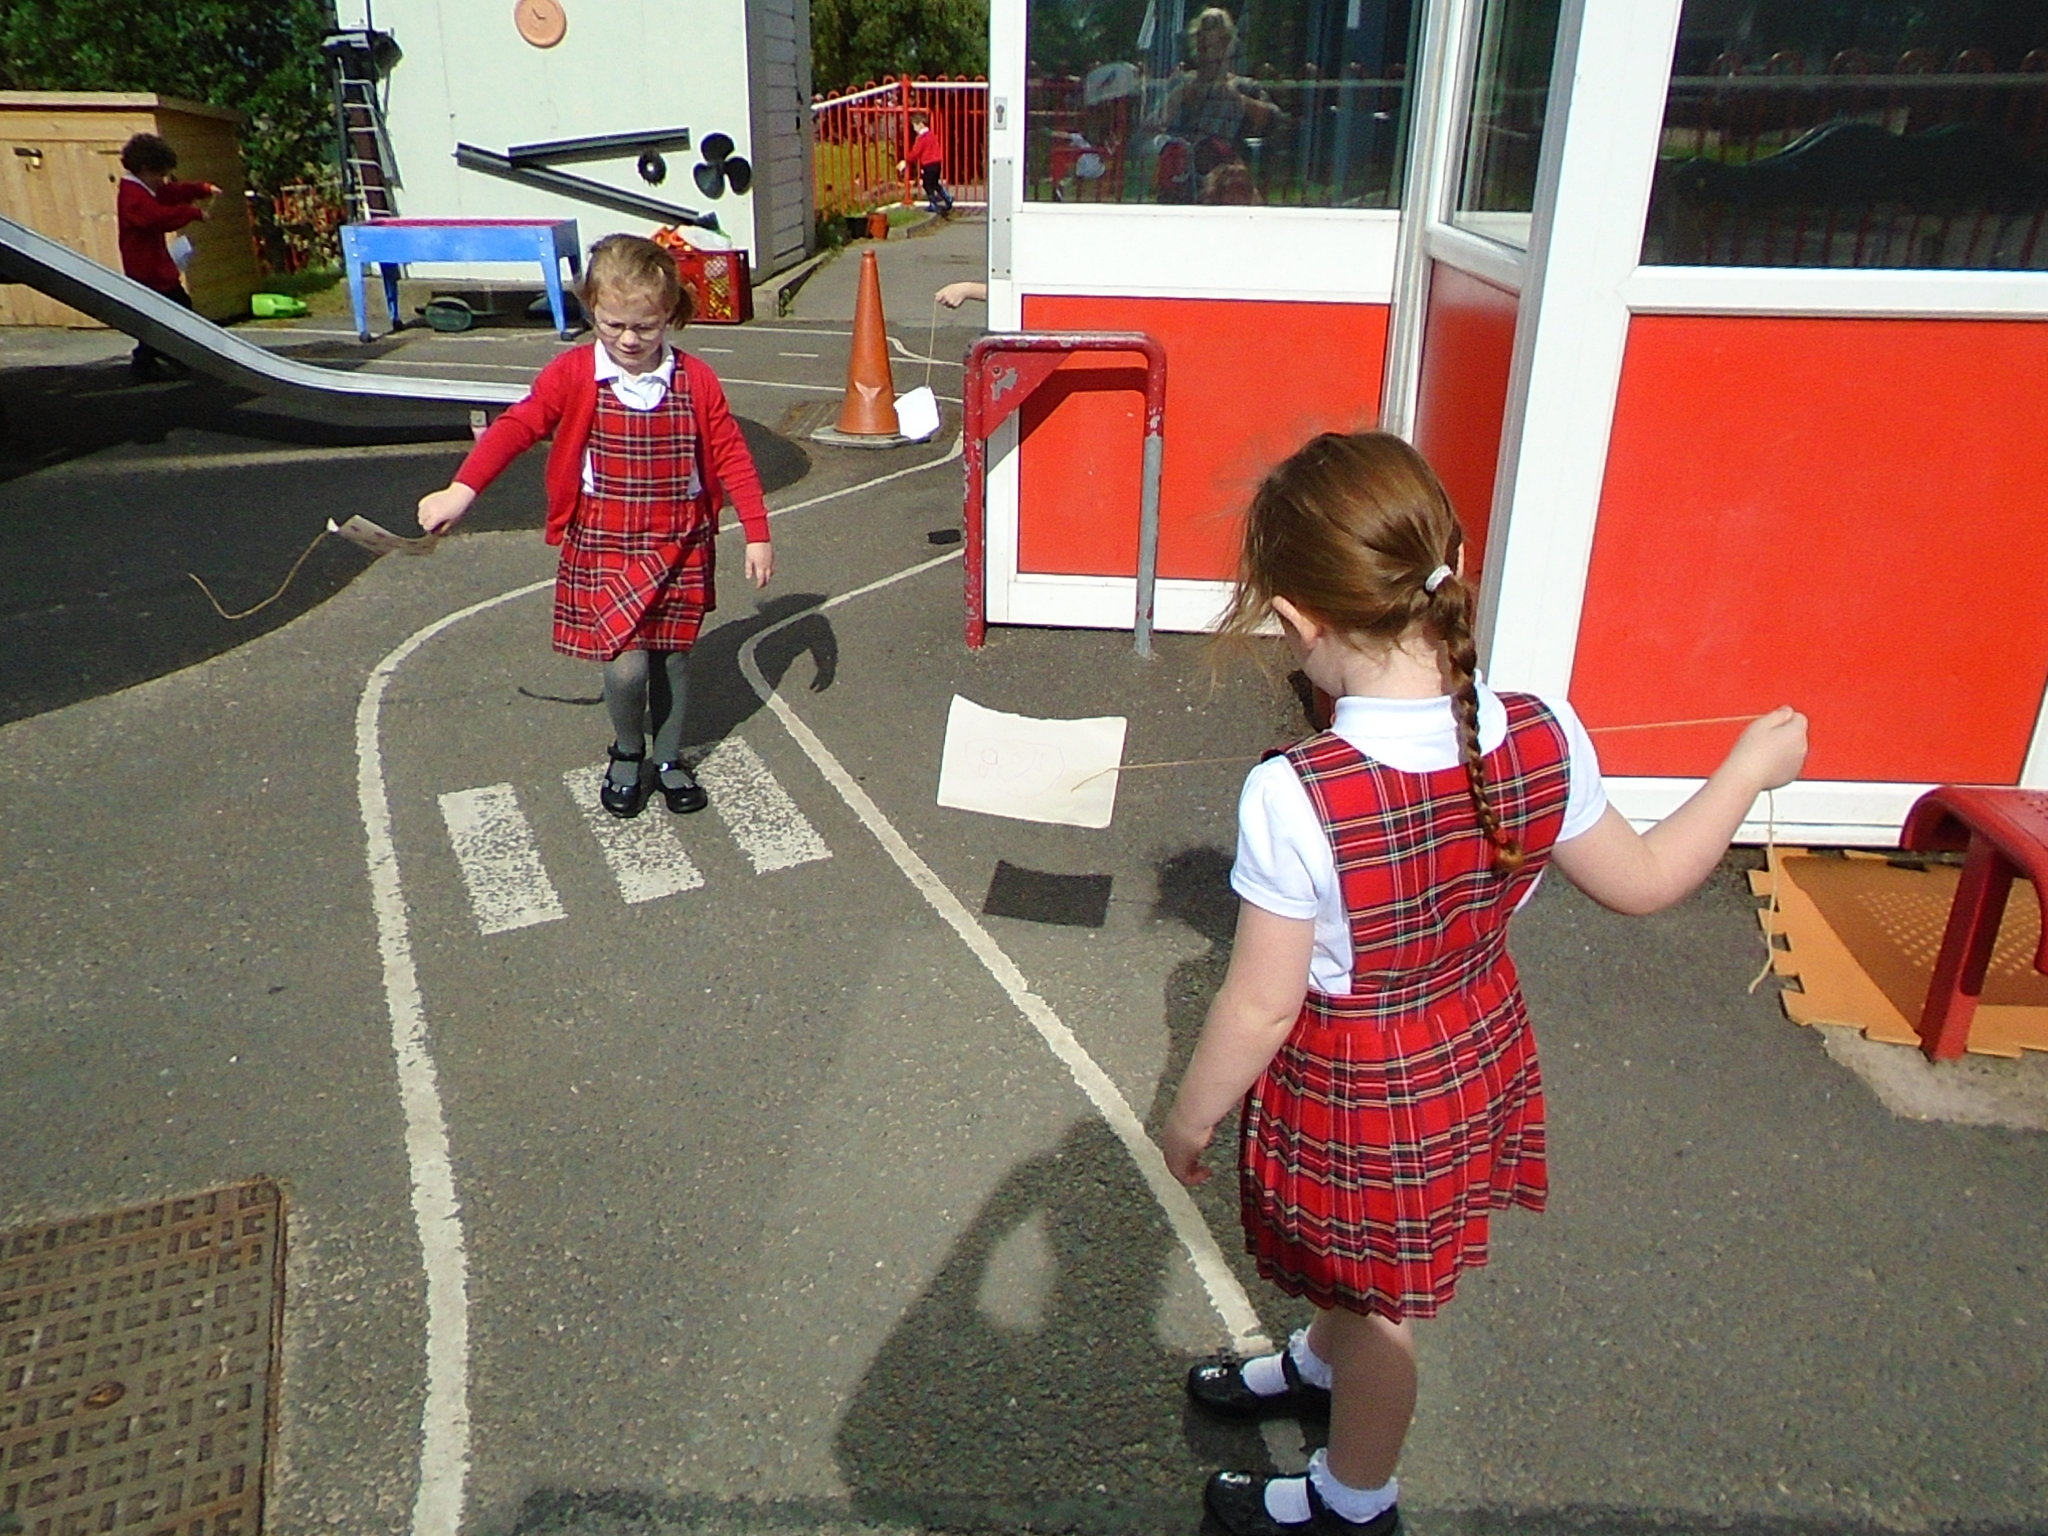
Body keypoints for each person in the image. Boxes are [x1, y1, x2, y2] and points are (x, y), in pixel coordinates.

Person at [1161, 431, 1808, 1536]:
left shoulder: (1296, 794)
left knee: (1378, 1312)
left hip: (1359, 1087)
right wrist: (1742, 771)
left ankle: (1351, 1500)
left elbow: (1261, 1003)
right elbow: (1646, 881)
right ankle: (1320, 1357)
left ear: (1299, 621)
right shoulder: (1537, 732)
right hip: (1466, 1051)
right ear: (1449, 557)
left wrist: (1187, 1115)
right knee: (1352, 1270)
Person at [416, 234, 774, 818]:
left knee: (672, 657)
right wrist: (464, 488)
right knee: (627, 661)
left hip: (680, 538)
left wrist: (756, 531)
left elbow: (732, 452)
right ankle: (627, 750)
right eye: (613, 325)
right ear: (591, 309)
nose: (629, 340)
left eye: (646, 327)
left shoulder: (697, 379)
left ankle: (668, 757)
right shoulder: (574, 373)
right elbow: (518, 425)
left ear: (669, 317)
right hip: (604, 535)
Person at [1151, 7, 1284, 202]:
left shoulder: (1245, 87)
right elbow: (1148, 132)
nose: (1211, 54)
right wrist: (1177, 98)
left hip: (1227, 184)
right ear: (1196, 44)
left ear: (1230, 45)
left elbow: (1275, 122)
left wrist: (1237, 98)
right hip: (1181, 180)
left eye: (1219, 45)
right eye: (1205, 46)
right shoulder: (1181, 84)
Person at [116, 132, 216, 379]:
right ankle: (163, 356)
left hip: (155, 266)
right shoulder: (133, 197)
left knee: (161, 316)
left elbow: (171, 193)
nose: (163, 180)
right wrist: (193, 213)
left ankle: (152, 361)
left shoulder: (144, 189)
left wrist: (201, 189)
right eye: (159, 174)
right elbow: (156, 217)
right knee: (174, 311)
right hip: (146, 271)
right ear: (144, 169)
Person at [897, 111, 954, 215]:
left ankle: (934, 203)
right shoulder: (932, 135)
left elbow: (916, 152)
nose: (914, 128)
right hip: (937, 162)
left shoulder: (922, 138)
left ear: (920, 124)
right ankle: (947, 197)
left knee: (927, 184)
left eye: (914, 125)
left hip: (928, 164)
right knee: (934, 183)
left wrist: (906, 160)